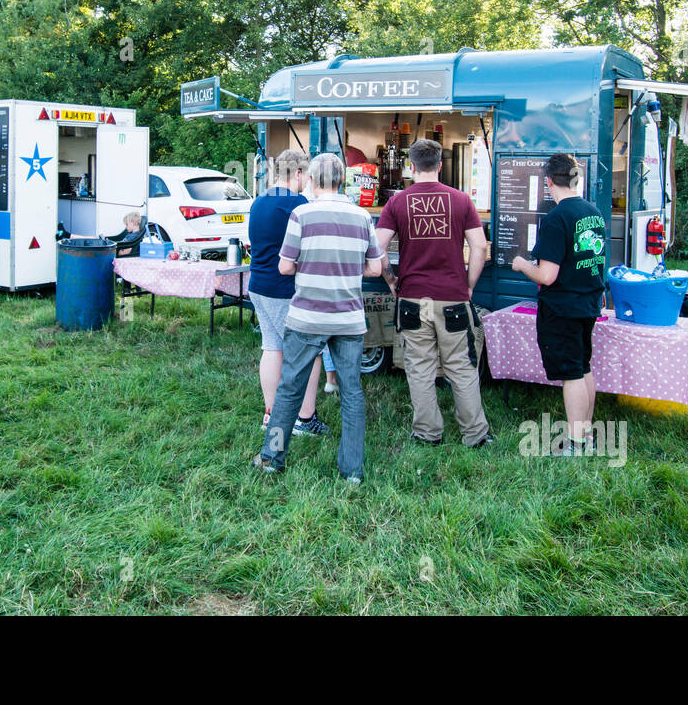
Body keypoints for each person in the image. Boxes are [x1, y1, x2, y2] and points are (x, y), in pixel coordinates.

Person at [254, 153, 383, 483]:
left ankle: (272, 457)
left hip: (307, 316)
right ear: (343, 181)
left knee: (289, 388)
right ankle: (352, 471)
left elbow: (284, 266)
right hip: (348, 319)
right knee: (352, 392)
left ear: (311, 180)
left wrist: (308, 266)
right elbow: (375, 267)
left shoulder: (301, 214)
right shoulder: (362, 216)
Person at [377, 139, 495, 448]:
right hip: (453, 297)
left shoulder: (397, 202)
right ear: (440, 165)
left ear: (411, 167)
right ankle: (475, 435)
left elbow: (375, 247)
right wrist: (468, 285)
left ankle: (427, 434)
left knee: (420, 368)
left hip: (413, 299)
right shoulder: (461, 200)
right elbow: (480, 246)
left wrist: (392, 280)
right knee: (461, 367)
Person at [511, 153, 608, 456]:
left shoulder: (557, 218)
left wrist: (521, 265)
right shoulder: (593, 211)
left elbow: (547, 275)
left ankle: (578, 444)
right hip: (588, 303)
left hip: (563, 307)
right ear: (576, 179)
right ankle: (587, 437)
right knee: (583, 368)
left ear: (548, 182)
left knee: (571, 374)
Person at [246, 150, 328, 438]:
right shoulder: (297, 203)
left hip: (258, 285)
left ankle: (272, 414)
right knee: (311, 351)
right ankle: (304, 419)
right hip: (285, 288)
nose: (306, 182)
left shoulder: (258, 202)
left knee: (271, 347)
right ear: (297, 174)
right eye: (305, 175)